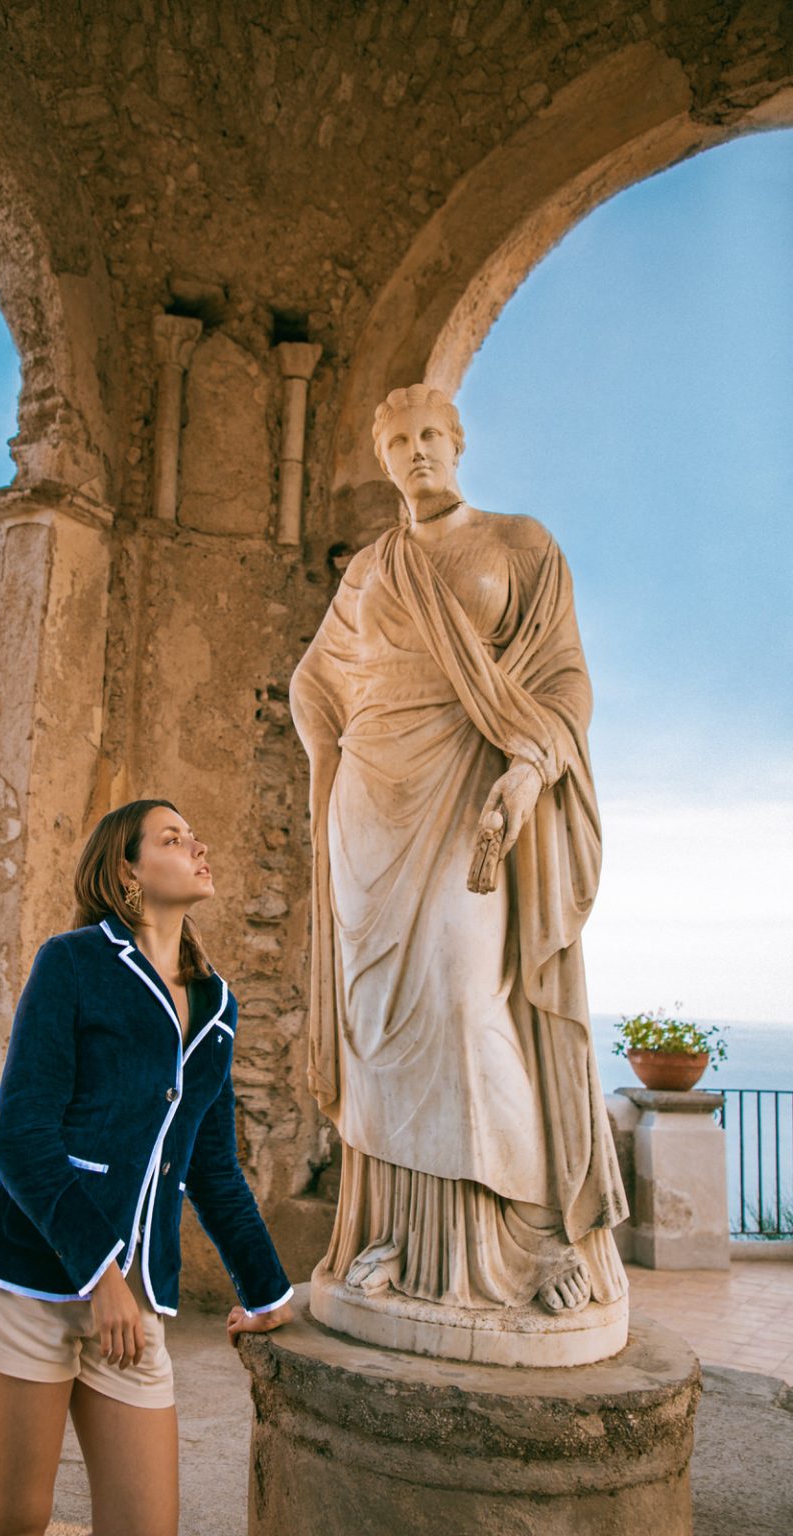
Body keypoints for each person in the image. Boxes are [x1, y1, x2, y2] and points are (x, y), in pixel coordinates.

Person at [289, 384, 627, 1317]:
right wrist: (329, 752)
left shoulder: (520, 543)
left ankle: (527, 1236)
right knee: (379, 1024)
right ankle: (393, 1238)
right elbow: (316, 678)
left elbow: (564, 680)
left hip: (471, 790)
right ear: (384, 459)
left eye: (431, 433)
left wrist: (529, 770)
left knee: (469, 998)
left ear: (460, 442)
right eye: (398, 440)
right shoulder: (371, 568)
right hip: (371, 804)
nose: (417, 451)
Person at [0, 799, 294, 1536]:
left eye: (195, 836)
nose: (198, 847)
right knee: (15, 1518)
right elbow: (19, 1137)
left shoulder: (217, 1004)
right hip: (27, 1282)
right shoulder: (72, 962)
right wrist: (101, 1278)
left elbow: (212, 1168)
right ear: (127, 869)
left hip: (137, 1304)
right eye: (173, 838)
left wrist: (266, 1292)